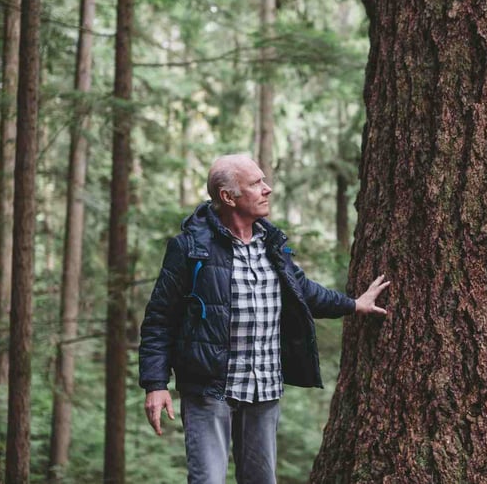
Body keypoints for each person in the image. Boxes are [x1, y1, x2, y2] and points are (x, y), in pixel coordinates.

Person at [138, 154, 389, 484]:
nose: (267, 189)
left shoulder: (272, 244)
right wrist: (155, 384)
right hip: (210, 389)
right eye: (255, 183)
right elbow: (160, 318)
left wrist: (354, 304)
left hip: (264, 389)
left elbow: (304, 292)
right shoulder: (190, 248)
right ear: (229, 197)